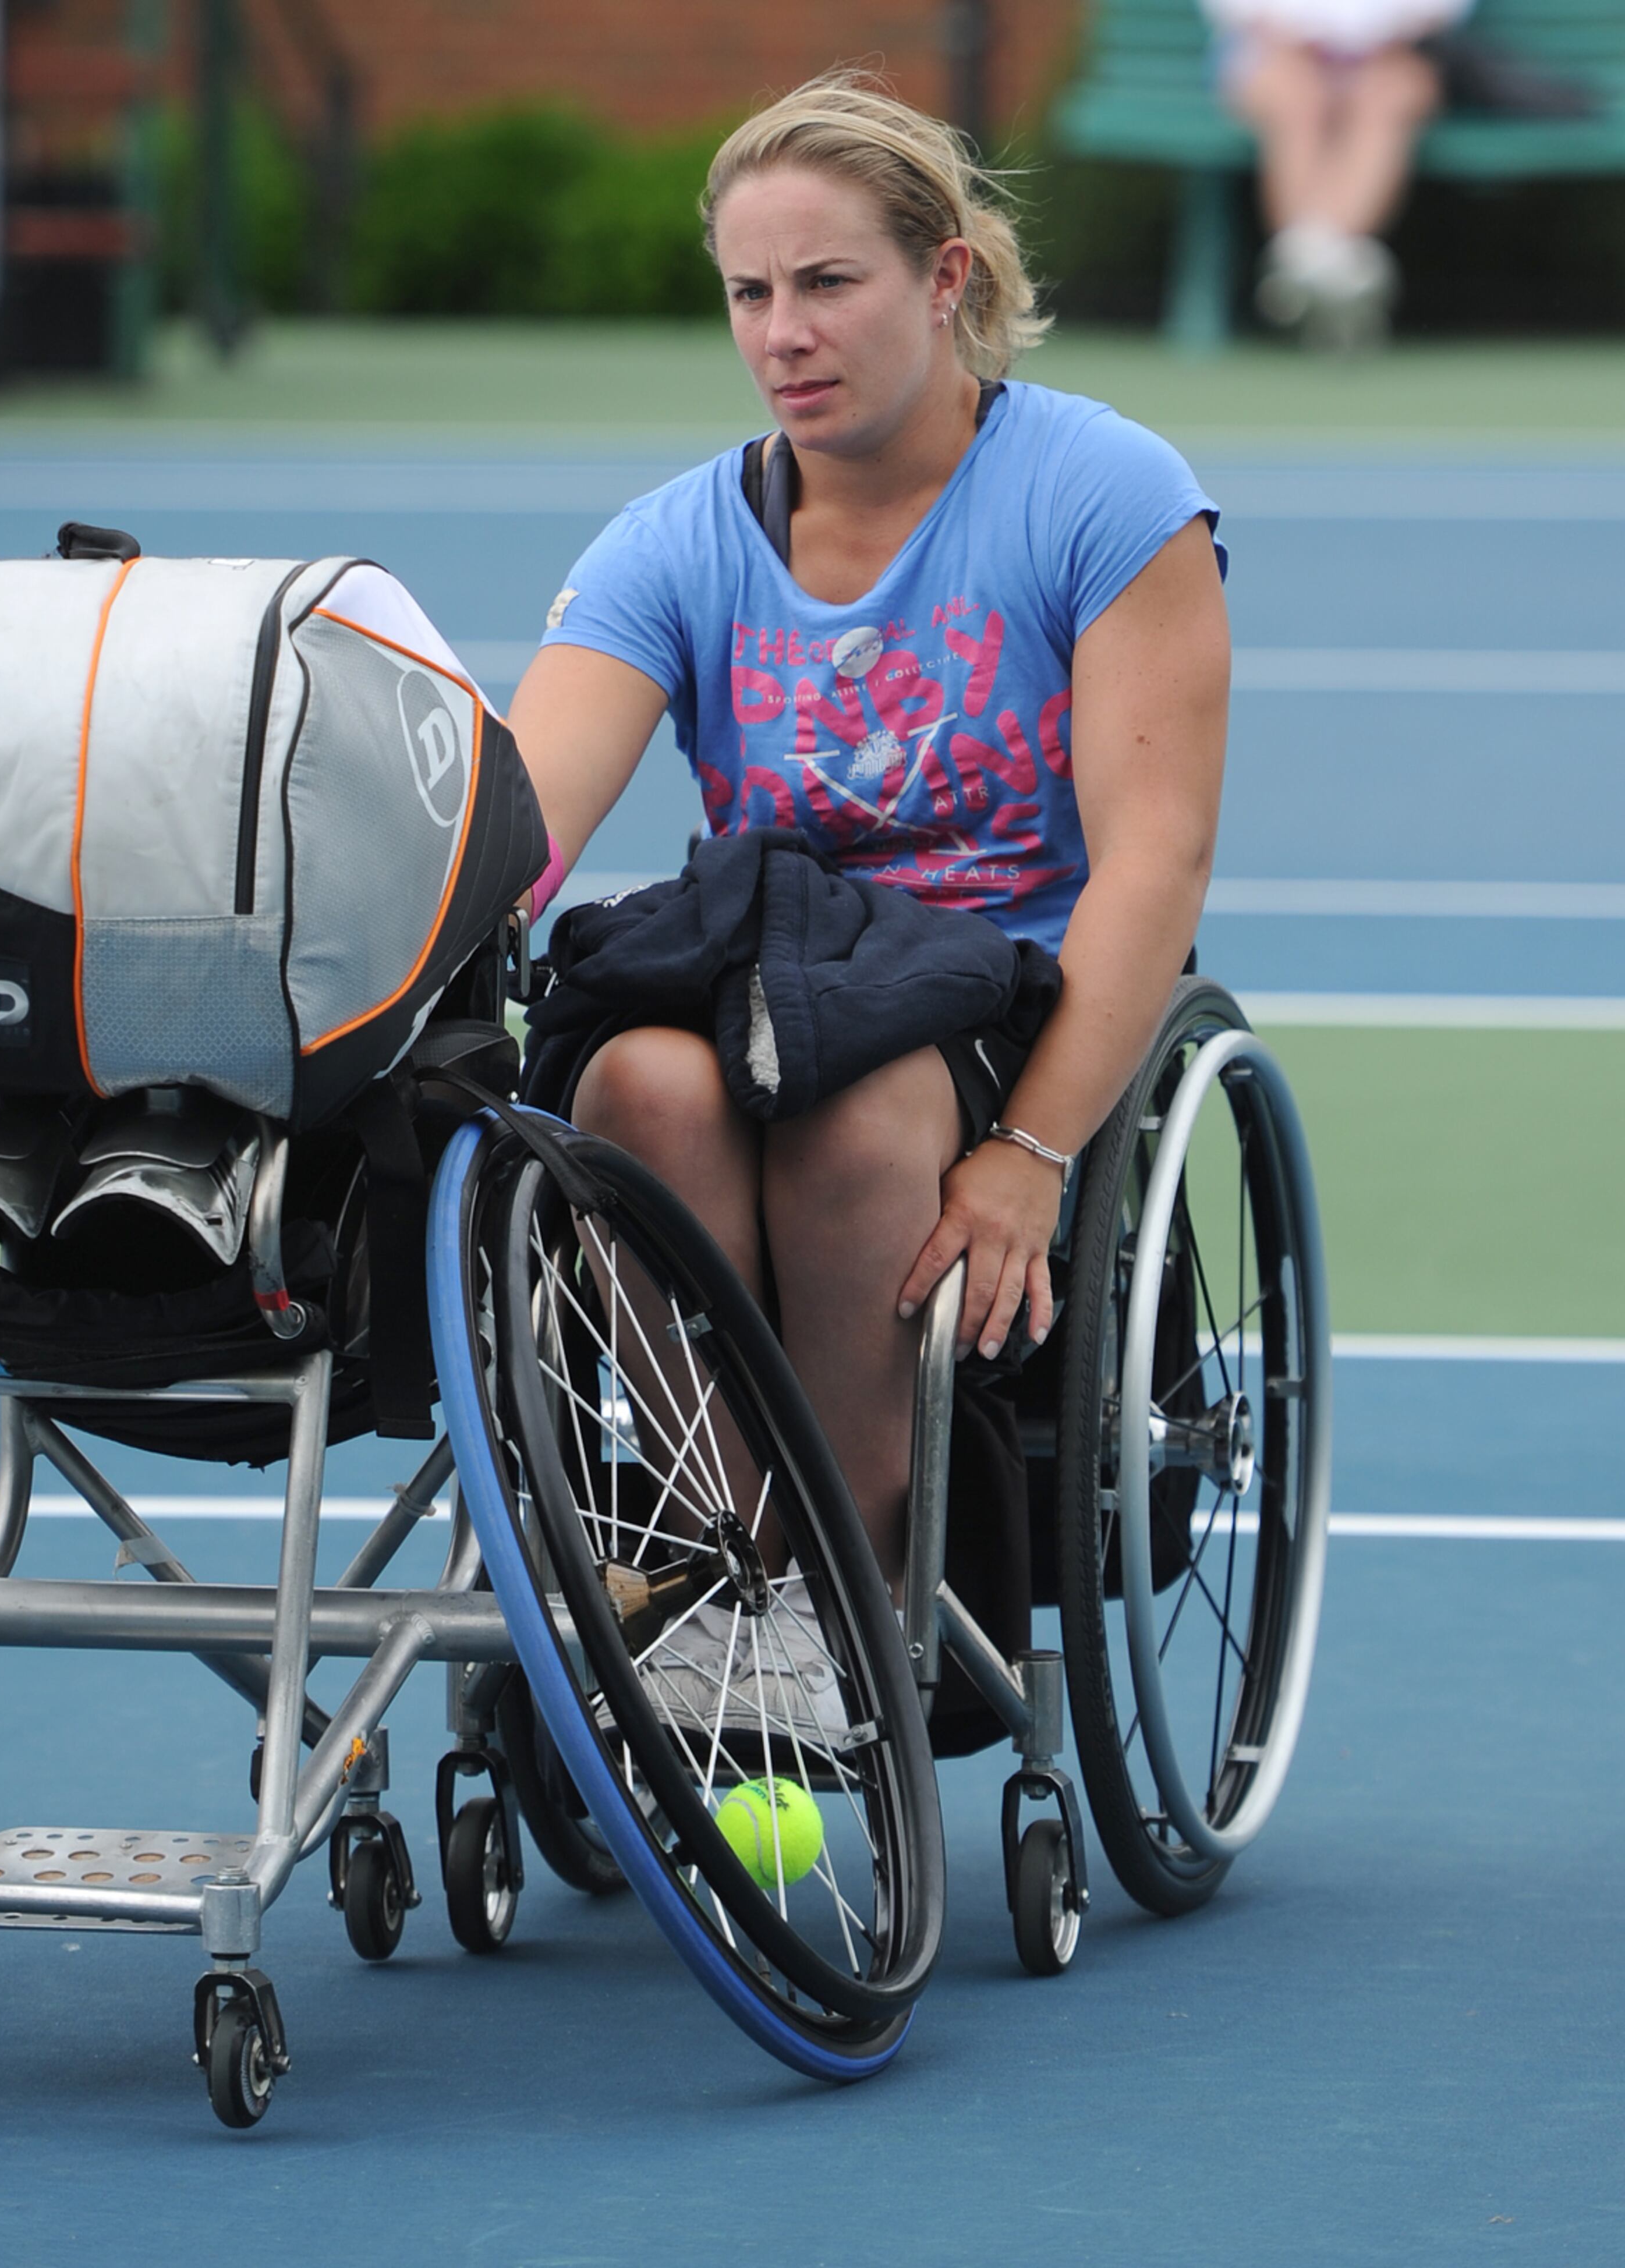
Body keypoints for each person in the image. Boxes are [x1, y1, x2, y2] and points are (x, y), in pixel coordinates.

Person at [505, 71, 1230, 1592]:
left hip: (994, 1011)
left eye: (829, 284)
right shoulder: (674, 542)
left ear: (944, 276)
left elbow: (1155, 855)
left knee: (859, 1105)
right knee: (634, 1079)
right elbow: (516, 829)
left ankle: (859, 1599)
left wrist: (1033, 1151)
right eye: (750, 294)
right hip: (763, 981)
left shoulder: (1101, 493)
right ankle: (745, 1564)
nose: (784, 334)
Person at [1202, 0, 1473, 345]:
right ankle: (1336, 274)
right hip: (1272, 51)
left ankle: (1305, 264)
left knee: (1389, 96)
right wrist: (1298, 40)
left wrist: (1377, 43)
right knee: (1296, 96)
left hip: (1394, 56)